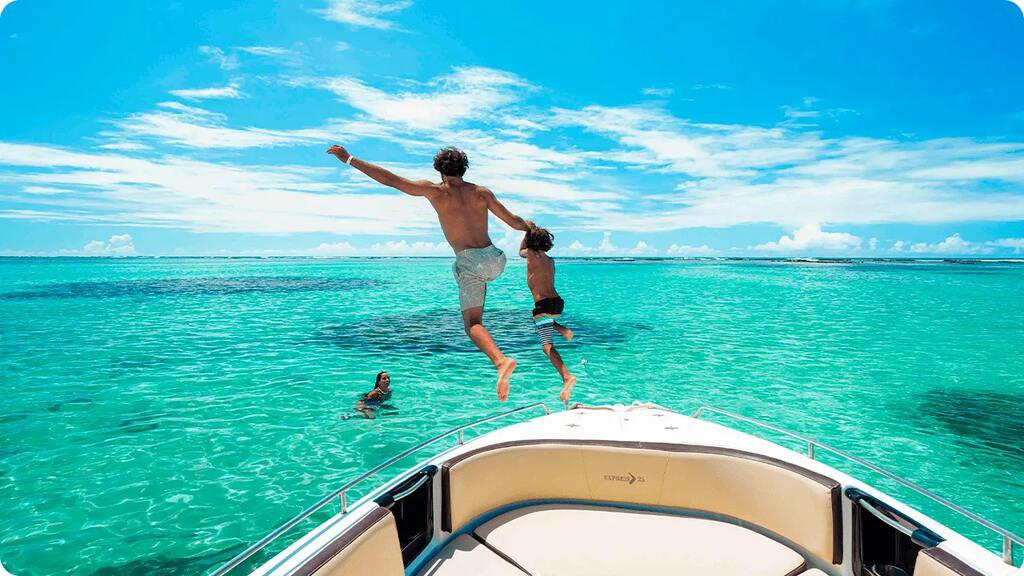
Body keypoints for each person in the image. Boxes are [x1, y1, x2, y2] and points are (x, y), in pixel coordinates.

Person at [327, 144, 533, 402]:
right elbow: (514, 221)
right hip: (495, 259)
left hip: (470, 262)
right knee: (476, 278)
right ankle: (498, 352)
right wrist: (531, 228)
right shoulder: (482, 193)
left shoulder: (435, 192)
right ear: (464, 168)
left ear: (439, 170)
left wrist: (349, 159)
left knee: (473, 324)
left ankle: (501, 362)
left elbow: (391, 180)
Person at [519, 227, 577, 403]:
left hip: (543, 305)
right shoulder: (551, 261)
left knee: (547, 346)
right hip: (556, 303)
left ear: (531, 242)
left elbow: (519, 250)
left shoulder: (529, 253)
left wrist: (526, 231)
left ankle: (567, 377)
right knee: (538, 320)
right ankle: (562, 329)